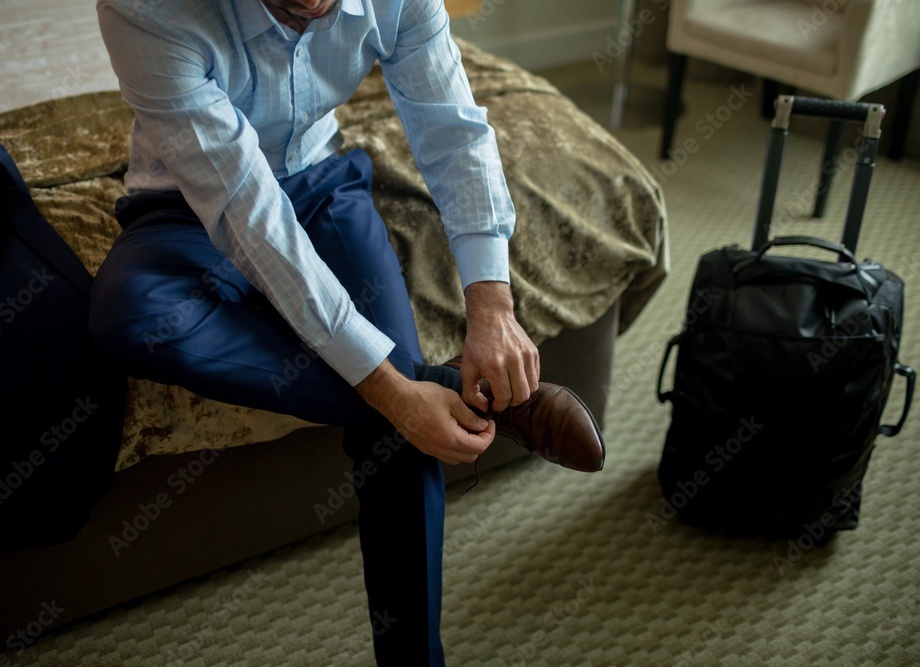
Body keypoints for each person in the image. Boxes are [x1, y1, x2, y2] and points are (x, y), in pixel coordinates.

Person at [91, 1, 604, 664]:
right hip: (186, 202)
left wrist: (492, 304)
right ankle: (440, 387)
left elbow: (451, 129)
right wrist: (392, 390)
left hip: (322, 182)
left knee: (399, 426)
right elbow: (247, 212)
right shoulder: (145, 9)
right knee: (127, 316)